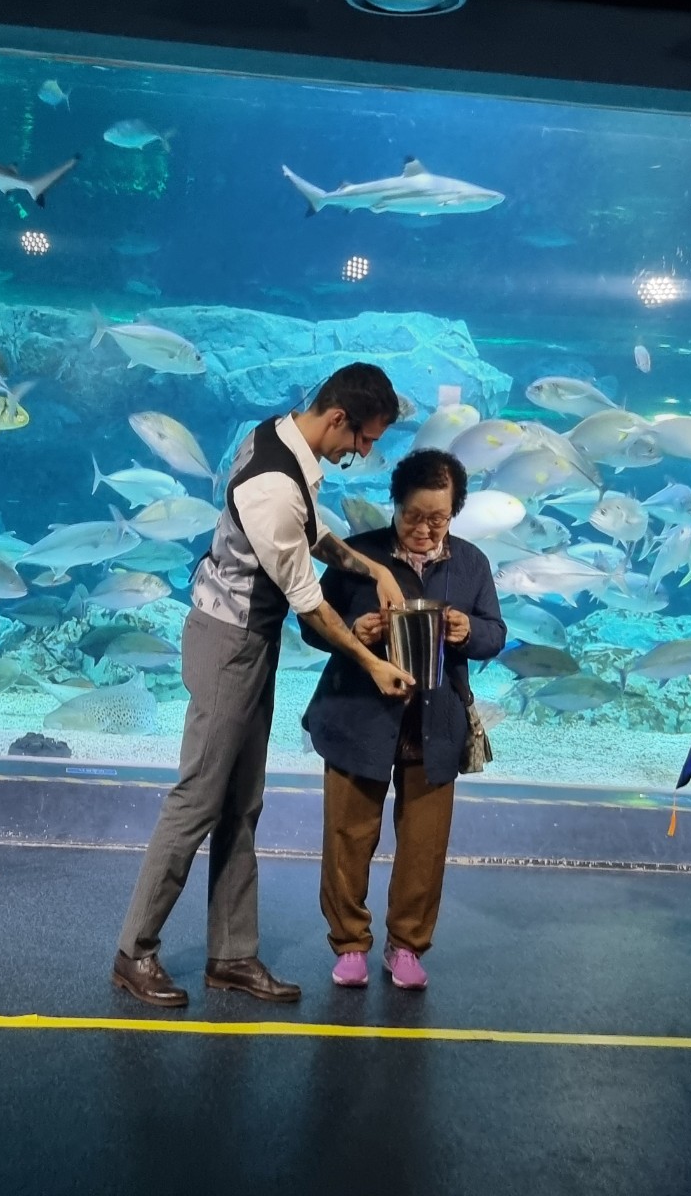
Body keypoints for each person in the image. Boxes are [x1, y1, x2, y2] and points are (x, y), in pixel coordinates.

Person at [112, 363, 416, 1008]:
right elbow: (311, 606)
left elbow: (312, 532)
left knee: (241, 802)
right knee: (197, 800)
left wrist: (374, 570)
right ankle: (133, 952)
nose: (362, 453)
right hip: (228, 644)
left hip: (251, 639)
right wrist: (372, 663)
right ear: (338, 418)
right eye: (362, 440)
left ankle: (231, 955)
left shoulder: (280, 435)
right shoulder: (273, 486)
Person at [300, 448, 506, 990]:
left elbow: (495, 633)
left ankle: (407, 947)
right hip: (358, 715)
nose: (424, 529)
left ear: (454, 513)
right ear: (394, 503)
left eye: (438, 518)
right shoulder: (358, 555)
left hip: (433, 724)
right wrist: (356, 631)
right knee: (348, 835)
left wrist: (469, 631)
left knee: (424, 844)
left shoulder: (470, 563)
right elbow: (311, 625)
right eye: (413, 515)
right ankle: (349, 943)